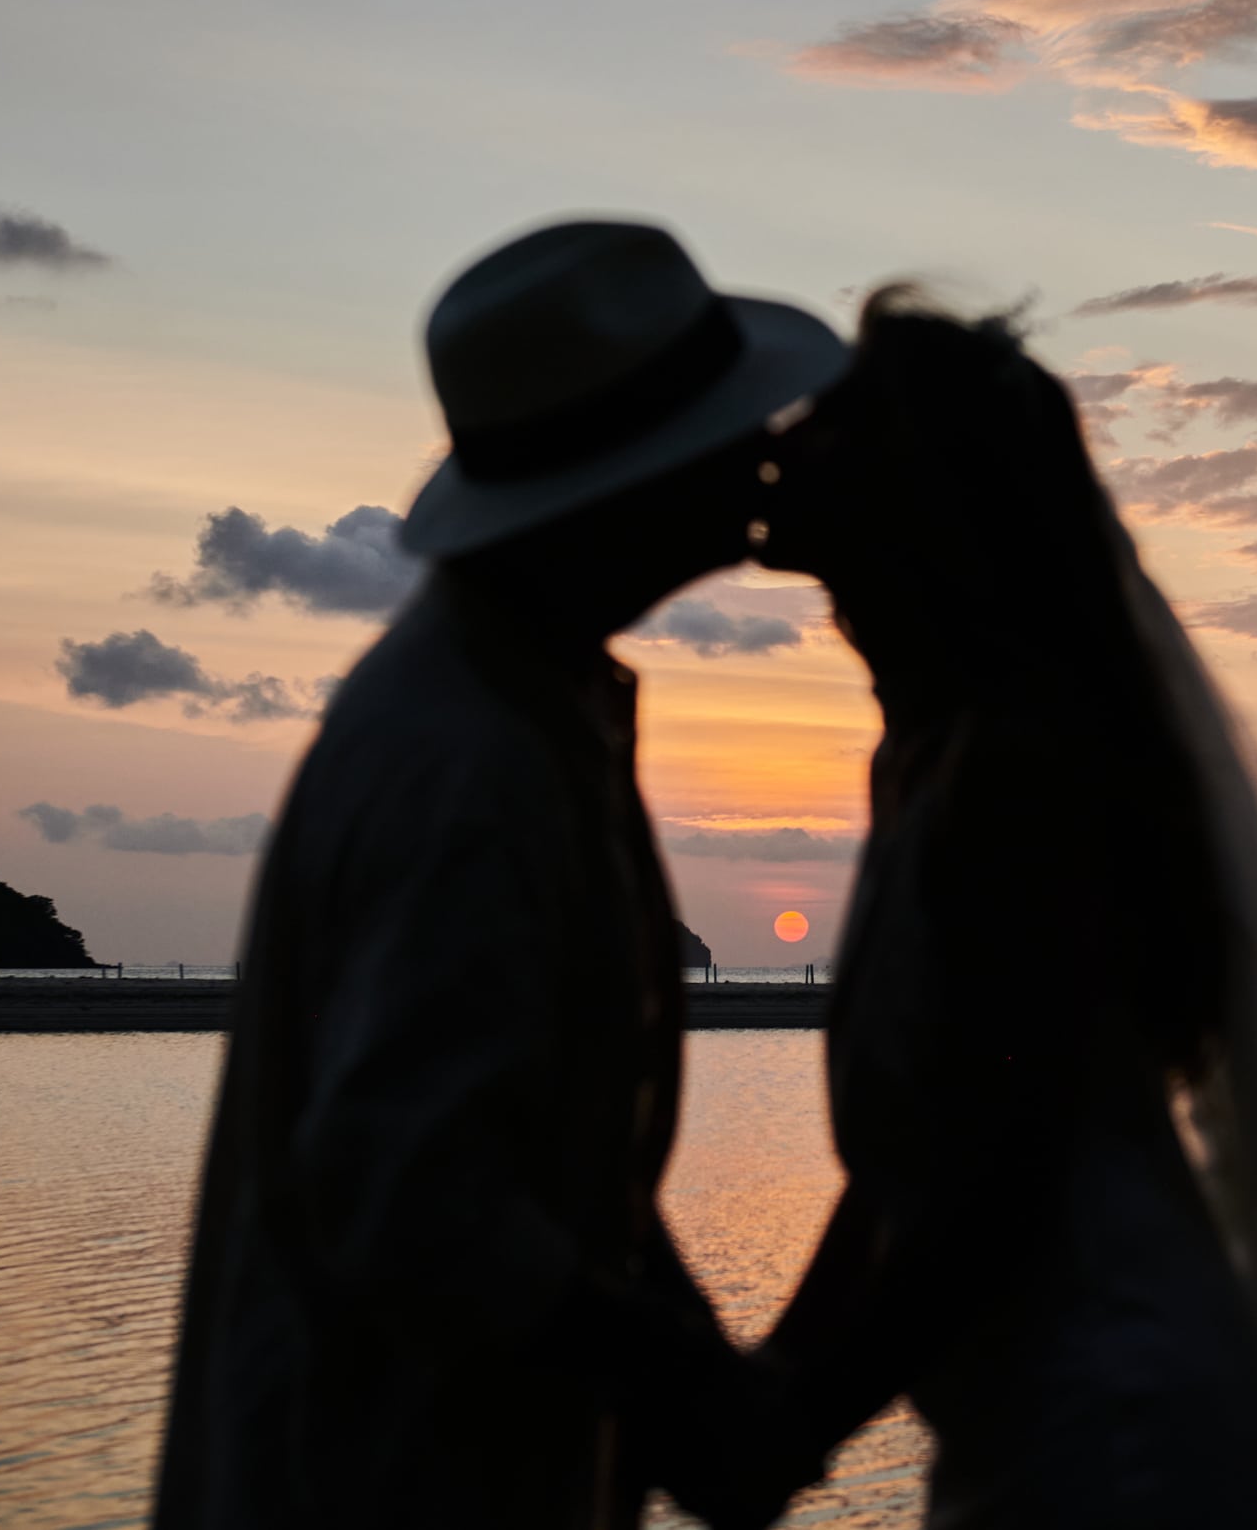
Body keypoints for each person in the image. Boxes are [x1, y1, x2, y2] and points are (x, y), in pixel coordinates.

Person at [755, 295, 1257, 1527]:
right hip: (1026, 1409)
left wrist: (792, 1419)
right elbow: (912, 1162)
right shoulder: (925, 753)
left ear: (916, 489)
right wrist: (780, 1383)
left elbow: (997, 1165)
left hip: (1113, 1420)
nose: (780, 438)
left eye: (832, 419)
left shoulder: (1014, 772)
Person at [155, 221, 844, 1529]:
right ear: (636, 477)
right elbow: (410, 1191)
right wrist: (685, 1390)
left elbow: (547, 1169)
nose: (763, 451)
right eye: (727, 427)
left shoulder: (508, 706)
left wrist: (680, 1366)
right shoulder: (469, 762)